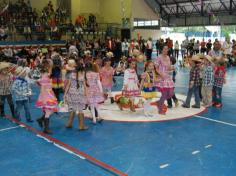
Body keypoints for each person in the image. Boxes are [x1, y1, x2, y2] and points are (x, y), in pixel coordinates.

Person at [64, 62, 88, 130]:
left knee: (73, 108)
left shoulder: (71, 75)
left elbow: (68, 85)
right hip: (80, 93)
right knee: (80, 109)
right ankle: (81, 126)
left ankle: (69, 123)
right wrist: (86, 95)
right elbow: (85, 86)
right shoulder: (82, 75)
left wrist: (65, 94)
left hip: (72, 93)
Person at [36, 60, 58, 134]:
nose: (51, 69)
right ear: (47, 67)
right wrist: (44, 99)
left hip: (49, 94)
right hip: (46, 96)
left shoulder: (46, 75)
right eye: (50, 67)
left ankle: (40, 119)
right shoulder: (45, 77)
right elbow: (42, 89)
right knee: (49, 112)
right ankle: (46, 129)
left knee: (52, 110)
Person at [155, 46, 175, 115]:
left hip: (168, 77)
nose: (166, 50)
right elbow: (156, 68)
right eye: (165, 49)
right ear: (162, 50)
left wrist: (172, 68)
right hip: (162, 78)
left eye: (167, 49)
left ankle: (159, 102)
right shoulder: (159, 57)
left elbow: (169, 67)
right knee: (164, 94)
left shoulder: (168, 57)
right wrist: (161, 74)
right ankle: (160, 110)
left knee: (171, 93)